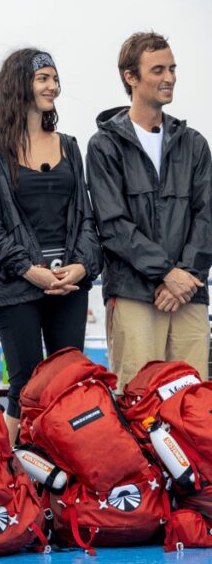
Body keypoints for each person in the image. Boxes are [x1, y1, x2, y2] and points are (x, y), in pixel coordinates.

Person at [0, 49, 102, 443]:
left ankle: (61, 475)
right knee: (25, 385)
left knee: (68, 381)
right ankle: (10, 476)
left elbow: (86, 217)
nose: (52, 86)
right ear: (20, 84)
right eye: (43, 79)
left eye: (55, 78)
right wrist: (30, 270)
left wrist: (83, 266)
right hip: (16, 285)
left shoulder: (70, 147)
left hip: (68, 283)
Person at [87, 31, 212, 388]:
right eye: (158, 69)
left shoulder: (194, 144)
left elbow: (207, 218)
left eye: (172, 68)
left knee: (194, 401)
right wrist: (166, 274)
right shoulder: (104, 145)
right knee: (138, 401)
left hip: (189, 293)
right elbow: (112, 224)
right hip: (133, 295)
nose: (169, 77)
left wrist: (184, 276)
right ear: (130, 76)